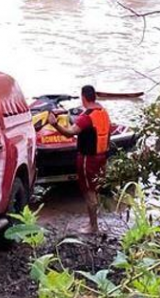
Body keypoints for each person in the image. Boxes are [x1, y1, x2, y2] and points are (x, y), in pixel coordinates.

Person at [48, 85, 112, 234]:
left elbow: (70, 133)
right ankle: (94, 222)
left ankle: (93, 227)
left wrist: (55, 124)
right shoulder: (103, 112)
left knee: (89, 192)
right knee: (95, 190)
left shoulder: (86, 117)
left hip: (88, 159)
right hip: (102, 156)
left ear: (83, 97)